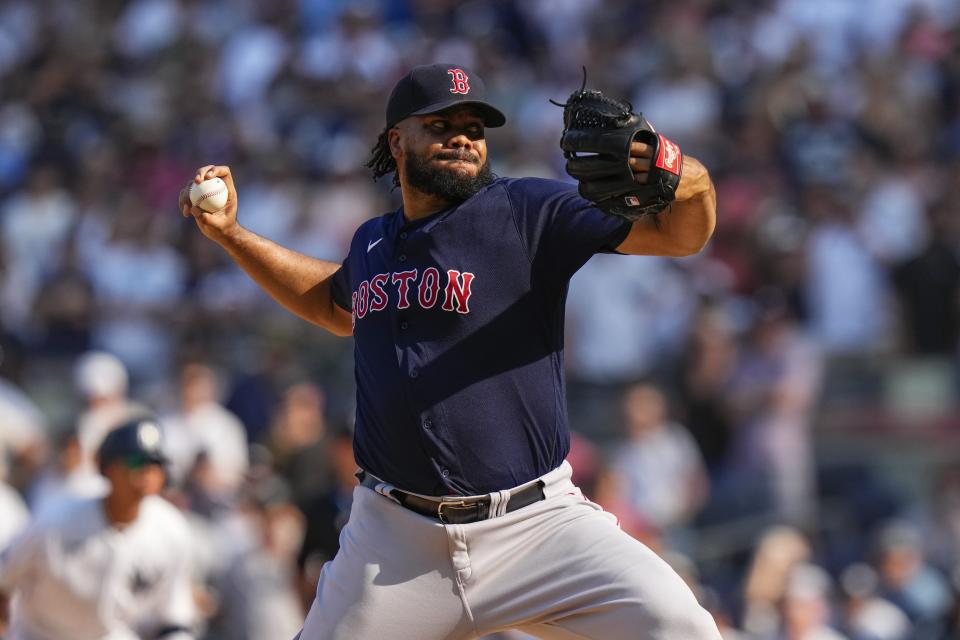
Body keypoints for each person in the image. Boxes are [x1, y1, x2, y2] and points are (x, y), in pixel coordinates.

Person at [180, 63, 720, 639]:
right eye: (440, 124)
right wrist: (233, 236)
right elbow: (336, 306)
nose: (461, 135)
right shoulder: (372, 241)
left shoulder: (526, 211)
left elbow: (680, 234)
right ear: (397, 141)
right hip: (395, 543)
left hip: (537, 526)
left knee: (681, 626)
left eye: (474, 126)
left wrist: (677, 171)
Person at [0, 417, 196, 640]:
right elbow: (3, 581)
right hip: (39, 634)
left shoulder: (171, 531)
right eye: (136, 462)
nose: (146, 472)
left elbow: (174, 618)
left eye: (155, 464)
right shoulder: (56, 520)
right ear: (108, 468)